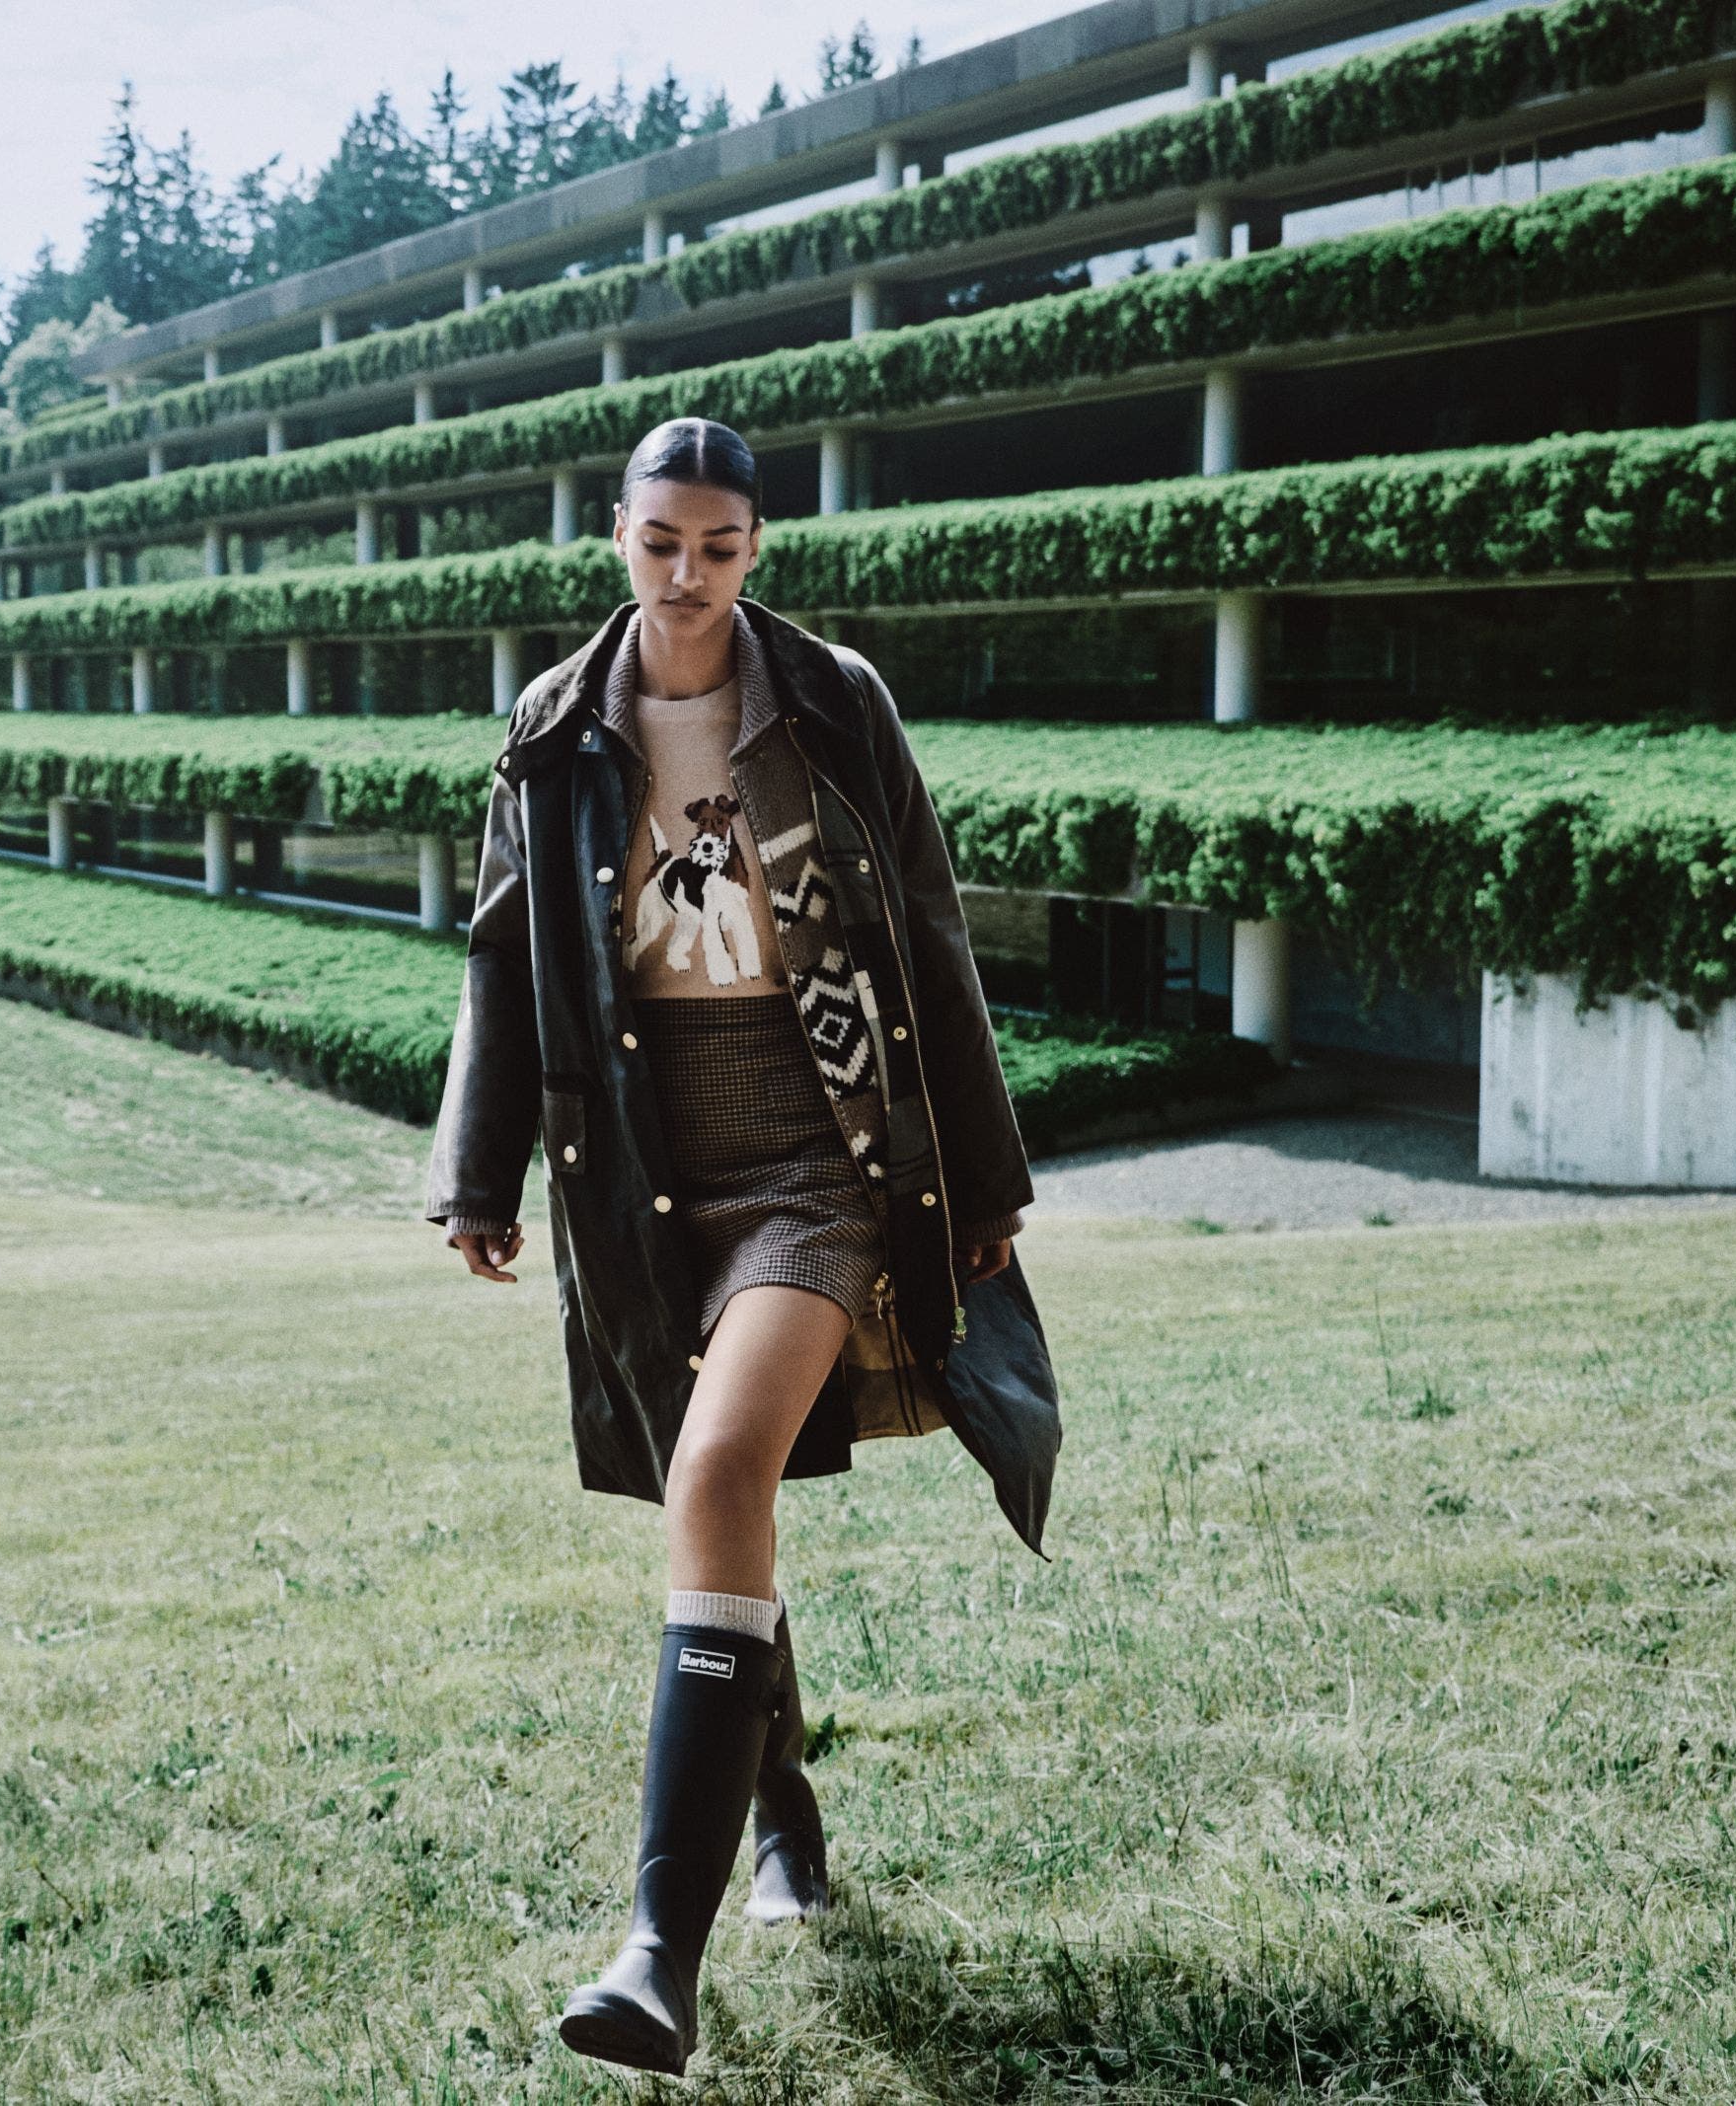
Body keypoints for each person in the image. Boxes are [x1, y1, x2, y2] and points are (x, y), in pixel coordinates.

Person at [424, 416, 1038, 2076]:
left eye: (720, 545)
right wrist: (477, 1173)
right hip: (638, 1159)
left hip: (817, 1144)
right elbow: (503, 958)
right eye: (659, 544)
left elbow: (924, 920)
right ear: (614, 539)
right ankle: (788, 1825)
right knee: (723, 1500)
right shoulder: (554, 726)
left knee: (711, 1479)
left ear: (756, 545)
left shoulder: (831, 694)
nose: (688, 574)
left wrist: (982, 1175)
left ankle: (652, 1954)